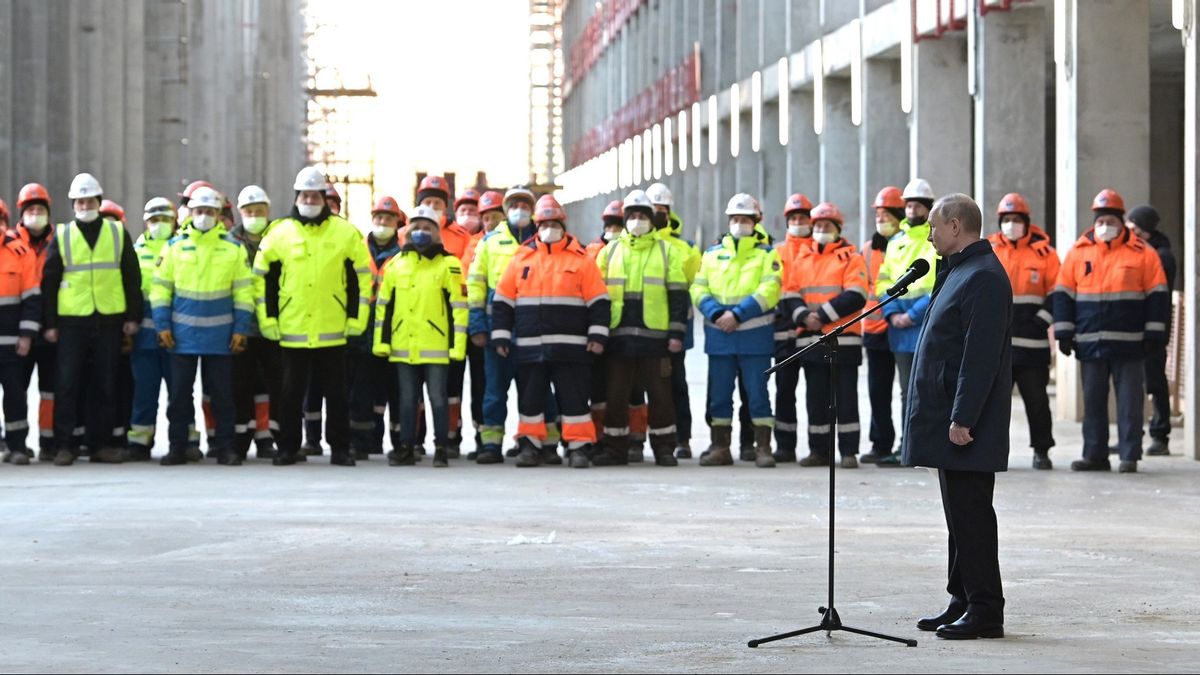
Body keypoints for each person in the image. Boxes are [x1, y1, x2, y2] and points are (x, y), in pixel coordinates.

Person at [904, 193, 1011, 640]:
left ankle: (986, 609)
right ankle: (962, 597)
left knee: (972, 516)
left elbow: (979, 357)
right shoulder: (959, 271)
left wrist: (963, 417)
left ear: (954, 226)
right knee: (957, 515)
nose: (927, 233)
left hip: (967, 423)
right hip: (948, 416)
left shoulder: (983, 276)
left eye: (932, 225)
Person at [252, 166, 372, 466]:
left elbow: (362, 279)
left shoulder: (345, 233)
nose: (309, 199)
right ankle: (288, 448)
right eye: (304, 194)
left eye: (315, 194)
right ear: (297, 196)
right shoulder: (278, 233)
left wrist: (357, 319)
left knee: (337, 395)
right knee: (290, 394)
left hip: (333, 329)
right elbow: (261, 280)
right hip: (292, 330)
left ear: (323, 196)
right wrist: (268, 320)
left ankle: (341, 449)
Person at [1052, 189, 1169, 474]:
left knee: (1130, 404)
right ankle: (1095, 455)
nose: (1105, 225)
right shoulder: (1079, 252)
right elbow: (1063, 294)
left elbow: (1158, 296)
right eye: (1101, 220)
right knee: (1092, 404)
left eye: (1111, 220)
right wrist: (1064, 333)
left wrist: (1155, 335)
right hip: (1090, 342)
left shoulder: (1144, 253)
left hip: (1131, 344)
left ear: (1121, 220)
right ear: (1095, 221)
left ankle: (1130, 455)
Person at [490, 194, 610, 468]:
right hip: (531, 347)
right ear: (536, 224)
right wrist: (501, 335)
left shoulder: (581, 259)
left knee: (575, 401)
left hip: (573, 349)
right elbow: (503, 300)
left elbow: (599, 302)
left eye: (554, 222)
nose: (549, 228)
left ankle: (579, 448)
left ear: (563, 224)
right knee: (530, 402)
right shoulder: (522, 258)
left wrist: (597, 336)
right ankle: (530, 447)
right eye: (544, 223)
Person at [41, 172, 141, 466]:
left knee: (105, 383)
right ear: (73, 204)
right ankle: (65, 446)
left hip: (109, 318)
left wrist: (133, 316)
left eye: (89, 200)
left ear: (99, 201)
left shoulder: (117, 233)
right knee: (67, 383)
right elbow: (48, 281)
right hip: (72, 320)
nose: (84, 205)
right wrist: (50, 324)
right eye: (79, 201)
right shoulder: (62, 235)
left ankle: (100, 445)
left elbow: (131, 277)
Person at [151, 187, 253, 466]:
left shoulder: (233, 249)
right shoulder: (174, 247)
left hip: (221, 337)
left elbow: (244, 293)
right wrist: (162, 326)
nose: (204, 216)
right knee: (179, 397)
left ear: (219, 215)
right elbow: (160, 290)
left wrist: (240, 329)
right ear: (191, 213)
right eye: (199, 212)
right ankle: (177, 447)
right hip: (181, 337)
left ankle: (225, 448)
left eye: (209, 212)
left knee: (222, 396)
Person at [591, 189, 688, 467]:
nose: (636, 220)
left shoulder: (667, 252)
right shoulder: (609, 253)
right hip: (618, 338)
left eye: (641, 215)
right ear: (624, 220)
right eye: (631, 216)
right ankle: (616, 449)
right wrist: (600, 333)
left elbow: (678, 296)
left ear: (651, 218)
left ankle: (664, 449)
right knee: (617, 396)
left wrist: (676, 334)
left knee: (660, 396)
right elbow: (598, 297)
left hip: (656, 339)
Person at [468, 186, 561, 463]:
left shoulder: (543, 240)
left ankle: (544, 444)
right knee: (494, 390)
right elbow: (475, 286)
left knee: (538, 390)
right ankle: (491, 446)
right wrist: (478, 327)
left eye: (524, 204)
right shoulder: (489, 242)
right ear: (506, 210)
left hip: (534, 328)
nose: (519, 209)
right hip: (498, 328)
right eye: (514, 204)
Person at [373, 205, 468, 467]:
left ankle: (441, 448)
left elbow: (459, 310)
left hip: (436, 347)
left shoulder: (449, 264)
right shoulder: (396, 265)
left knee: (438, 398)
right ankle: (406, 447)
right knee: (406, 400)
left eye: (427, 228)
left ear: (437, 233)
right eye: (417, 228)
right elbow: (384, 307)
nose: (421, 232)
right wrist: (381, 342)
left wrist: (457, 347)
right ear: (408, 231)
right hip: (403, 345)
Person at [692, 193, 781, 468]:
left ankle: (763, 447)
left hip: (755, 338)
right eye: (735, 219)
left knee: (758, 395)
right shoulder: (712, 254)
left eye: (744, 219)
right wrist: (718, 313)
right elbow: (698, 287)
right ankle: (720, 447)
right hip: (721, 337)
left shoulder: (767, 254)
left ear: (756, 222)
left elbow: (771, 289)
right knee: (719, 396)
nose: (739, 223)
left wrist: (738, 314)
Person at [784, 202, 868, 468]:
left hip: (843, 341)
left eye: (826, 225)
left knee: (845, 399)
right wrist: (802, 317)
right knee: (816, 400)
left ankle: (848, 452)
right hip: (811, 341)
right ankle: (818, 451)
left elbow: (856, 295)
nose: (821, 229)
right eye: (817, 225)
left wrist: (819, 315)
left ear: (838, 228)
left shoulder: (851, 257)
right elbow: (789, 293)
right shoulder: (802, 259)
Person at [986, 193, 1060, 470]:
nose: (1011, 224)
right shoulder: (988, 249)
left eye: (1017, 219)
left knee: (1037, 402)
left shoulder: (1045, 254)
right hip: (997, 347)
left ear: (1027, 221)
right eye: (1006, 220)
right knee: (993, 407)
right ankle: (991, 452)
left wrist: (1042, 320)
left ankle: (1042, 450)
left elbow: (1057, 293)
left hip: (1032, 346)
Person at [874, 178, 939, 467]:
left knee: (929, 390)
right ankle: (906, 447)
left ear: (928, 208)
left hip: (926, 325)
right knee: (906, 392)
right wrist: (891, 313)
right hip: (898, 329)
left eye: (917, 205)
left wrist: (912, 315)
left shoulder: (935, 239)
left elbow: (939, 284)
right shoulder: (895, 242)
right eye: (908, 205)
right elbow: (884, 280)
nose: (912, 209)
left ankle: (928, 446)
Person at [646, 182, 702, 461]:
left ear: (669, 212)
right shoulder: (631, 245)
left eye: (661, 210)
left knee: (676, 384)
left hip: (675, 327)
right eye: (652, 210)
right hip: (643, 327)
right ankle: (639, 439)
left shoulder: (687, 248)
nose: (657, 215)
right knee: (642, 387)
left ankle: (682, 438)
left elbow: (693, 285)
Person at [347, 196, 405, 460]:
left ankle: (400, 443)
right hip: (361, 333)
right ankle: (361, 443)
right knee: (360, 393)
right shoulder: (358, 248)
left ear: (397, 222)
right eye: (379, 218)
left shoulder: (405, 252)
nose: (383, 222)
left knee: (395, 392)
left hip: (394, 332)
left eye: (388, 218)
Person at [229, 185, 282, 460]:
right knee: (241, 385)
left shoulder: (280, 238)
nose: (254, 215)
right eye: (249, 211)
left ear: (267, 211)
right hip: (242, 326)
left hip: (273, 326)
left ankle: (267, 437)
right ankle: (240, 439)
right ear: (240, 212)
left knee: (272, 386)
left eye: (259, 211)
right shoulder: (229, 242)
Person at [127, 198, 177, 461]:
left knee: (179, 393)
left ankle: (184, 440)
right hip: (144, 339)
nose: (159, 225)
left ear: (173, 221)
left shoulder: (180, 249)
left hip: (176, 338)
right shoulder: (136, 251)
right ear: (146, 222)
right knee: (144, 392)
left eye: (164, 219)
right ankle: (139, 442)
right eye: (154, 220)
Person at [1124, 205, 1177, 457]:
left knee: (1154, 381)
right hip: (1135, 328)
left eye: (1134, 227)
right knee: (1136, 385)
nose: (1130, 231)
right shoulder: (1139, 250)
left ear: (1145, 229)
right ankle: (1133, 435)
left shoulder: (1161, 255)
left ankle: (1160, 434)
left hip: (1153, 329)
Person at [13, 183, 59, 462]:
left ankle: (48, 441)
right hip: (20, 330)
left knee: (50, 390)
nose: (35, 214)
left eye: (40, 209)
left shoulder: (59, 241)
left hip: (51, 327)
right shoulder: (11, 244)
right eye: (30, 210)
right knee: (16, 388)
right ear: (22, 213)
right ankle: (16, 442)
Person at [860, 186, 904, 464]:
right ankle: (881, 443)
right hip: (876, 330)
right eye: (878, 215)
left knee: (908, 391)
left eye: (887, 214)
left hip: (902, 327)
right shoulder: (867, 250)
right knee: (878, 391)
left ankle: (907, 444)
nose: (882, 220)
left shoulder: (908, 245)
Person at [770, 192, 813, 463]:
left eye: (802, 217)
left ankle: (818, 447)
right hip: (785, 330)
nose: (798, 222)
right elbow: (779, 287)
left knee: (817, 393)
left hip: (813, 330)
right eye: (793, 218)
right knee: (784, 391)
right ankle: (785, 446)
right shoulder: (777, 251)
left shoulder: (817, 249)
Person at [0, 211, 42, 465]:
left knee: (15, 396)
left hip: (11, 343)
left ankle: (17, 446)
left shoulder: (21, 253)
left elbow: (31, 300)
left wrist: (27, 336)